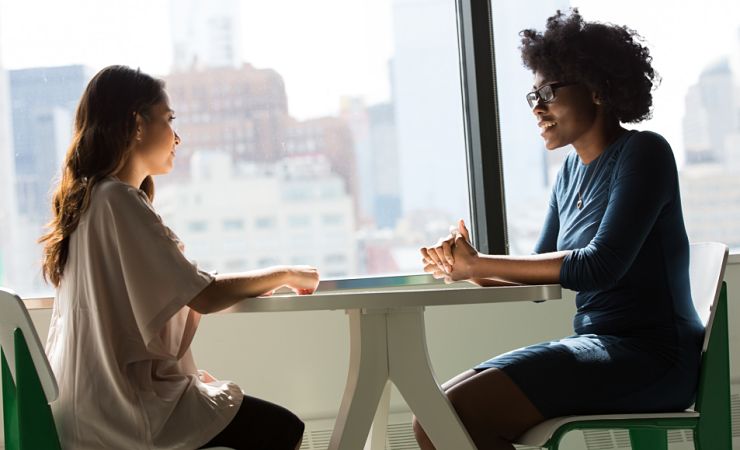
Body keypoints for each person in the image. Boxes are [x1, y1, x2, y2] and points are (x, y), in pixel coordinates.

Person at [414, 9, 704, 450]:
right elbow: (537, 276)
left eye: (548, 91)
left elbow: (599, 267)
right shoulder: (568, 173)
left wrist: (479, 262)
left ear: (597, 88)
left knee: (453, 419)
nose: (537, 107)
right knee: (433, 420)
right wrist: (464, 267)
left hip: (653, 358)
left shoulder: (644, 152)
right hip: (598, 345)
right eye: (532, 96)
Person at [39, 65, 319, 450]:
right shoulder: (117, 200)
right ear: (137, 124)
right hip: (121, 414)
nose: (178, 137)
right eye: (169, 120)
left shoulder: (89, 201)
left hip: (84, 409)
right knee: (283, 429)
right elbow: (202, 294)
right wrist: (285, 273)